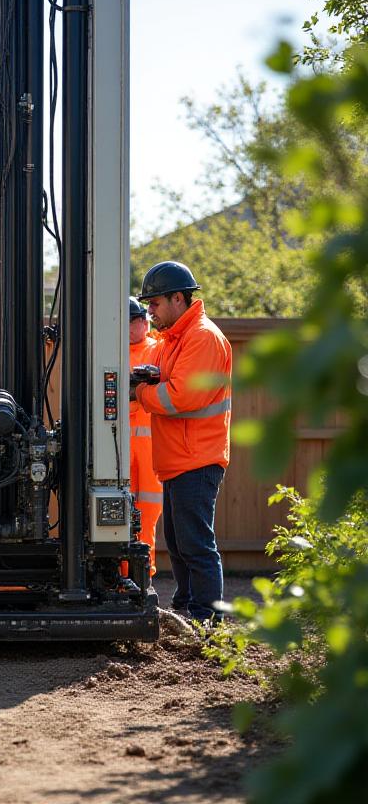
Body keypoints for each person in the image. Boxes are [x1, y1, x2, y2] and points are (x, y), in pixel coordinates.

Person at [133, 261, 232, 624]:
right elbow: (156, 378)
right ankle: (188, 608)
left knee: (196, 545)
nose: (150, 311)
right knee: (178, 544)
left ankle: (208, 620)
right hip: (180, 460)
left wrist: (140, 393)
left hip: (198, 459)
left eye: (155, 303)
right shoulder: (173, 340)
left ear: (178, 298)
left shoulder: (202, 338)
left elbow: (180, 397)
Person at [128, 297, 162, 574]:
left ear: (143, 322)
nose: (129, 327)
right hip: (119, 450)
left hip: (150, 451)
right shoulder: (110, 352)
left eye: (134, 321)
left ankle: (143, 573)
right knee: (117, 513)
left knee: (148, 515)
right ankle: (119, 575)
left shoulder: (158, 349)